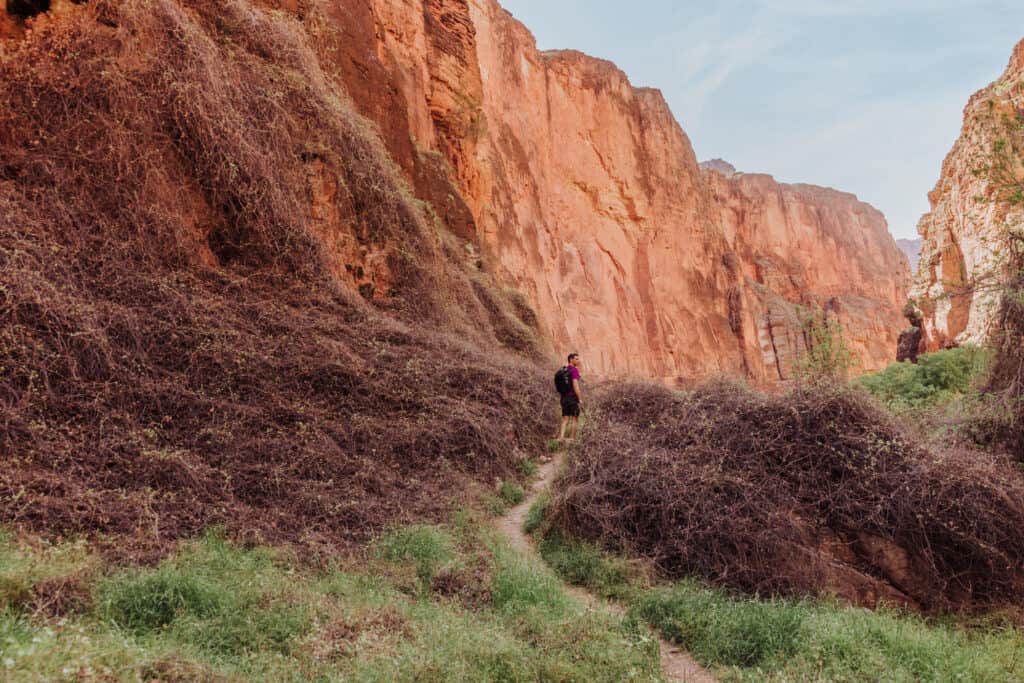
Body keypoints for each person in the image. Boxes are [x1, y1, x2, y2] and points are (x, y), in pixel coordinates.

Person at [557, 353, 583, 441]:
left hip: (563, 398)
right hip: (572, 398)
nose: (578, 361)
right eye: (576, 359)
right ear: (571, 360)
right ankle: (571, 439)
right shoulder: (574, 370)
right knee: (575, 418)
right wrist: (579, 398)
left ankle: (561, 438)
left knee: (565, 419)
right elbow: (576, 385)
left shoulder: (563, 370)